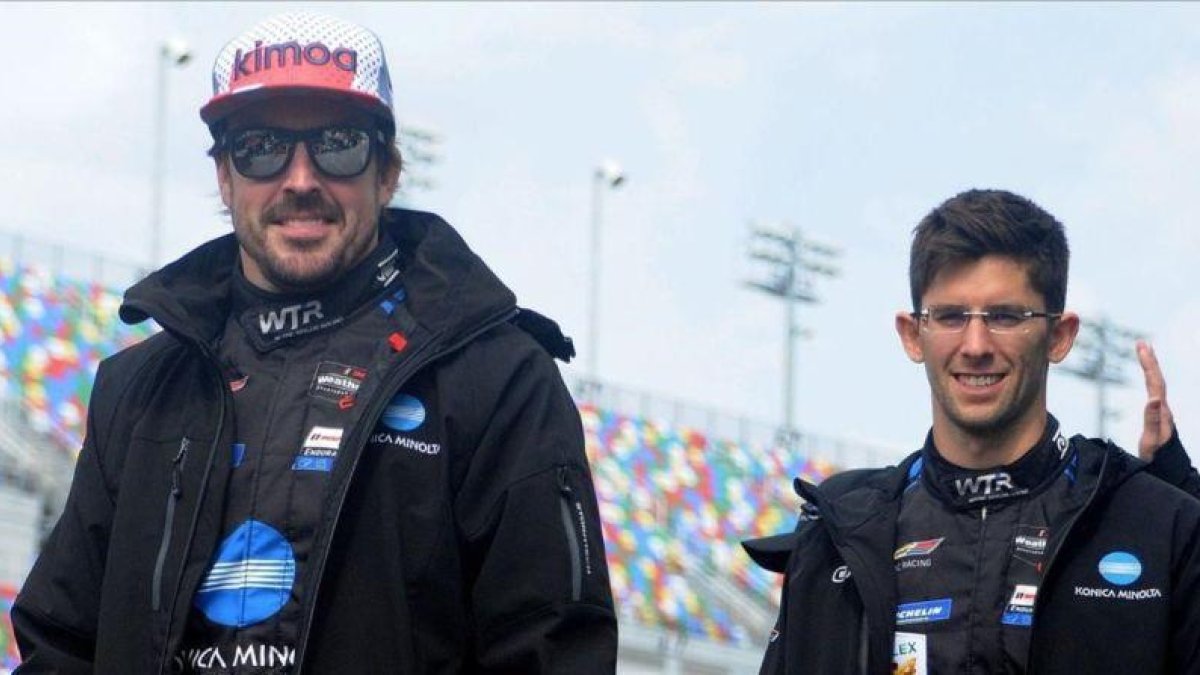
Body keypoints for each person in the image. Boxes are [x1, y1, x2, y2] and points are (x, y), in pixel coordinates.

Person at [12, 11, 616, 674]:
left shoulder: (501, 381)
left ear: (387, 171)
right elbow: (60, 639)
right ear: (224, 178)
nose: (300, 179)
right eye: (261, 147)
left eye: (337, 143)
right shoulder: (139, 388)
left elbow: (552, 651)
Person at [746, 189, 1200, 674]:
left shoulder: (1163, 528)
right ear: (912, 333)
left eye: (1006, 316)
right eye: (950, 316)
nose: (976, 345)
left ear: (1060, 336)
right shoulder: (837, 533)